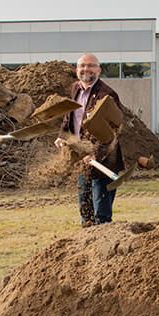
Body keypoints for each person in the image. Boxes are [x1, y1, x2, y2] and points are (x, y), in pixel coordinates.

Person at [57, 54, 124, 226]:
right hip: (82, 160)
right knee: (85, 211)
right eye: (82, 66)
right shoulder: (75, 89)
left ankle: (103, 248)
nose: (86, 69)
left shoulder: (107, 95)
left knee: (101, 214)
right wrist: (62, 135)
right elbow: (69, 116)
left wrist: (96, 154)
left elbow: (114, 131)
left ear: (99, 70)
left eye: (91, 66)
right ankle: (86, 248)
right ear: (76, 70)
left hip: (103, 162)